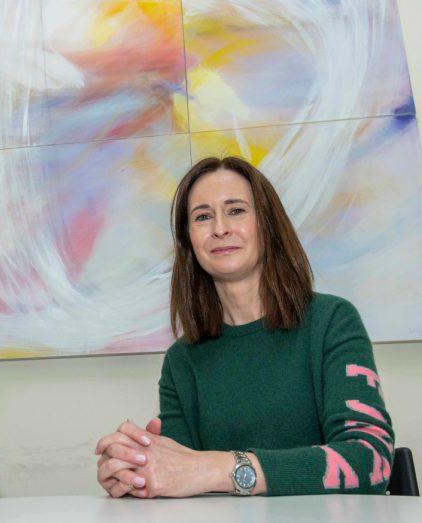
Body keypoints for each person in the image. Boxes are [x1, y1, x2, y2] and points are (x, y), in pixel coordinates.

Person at [95, 157, 394, 498]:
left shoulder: (332, 321)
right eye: (203, 216)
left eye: (235, 210)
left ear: (266, 224)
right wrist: (138, 472)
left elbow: (371, 461)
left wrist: (223, 469)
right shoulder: (182, 360)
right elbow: (182, 479)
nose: (220, 228)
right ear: (189, 242)